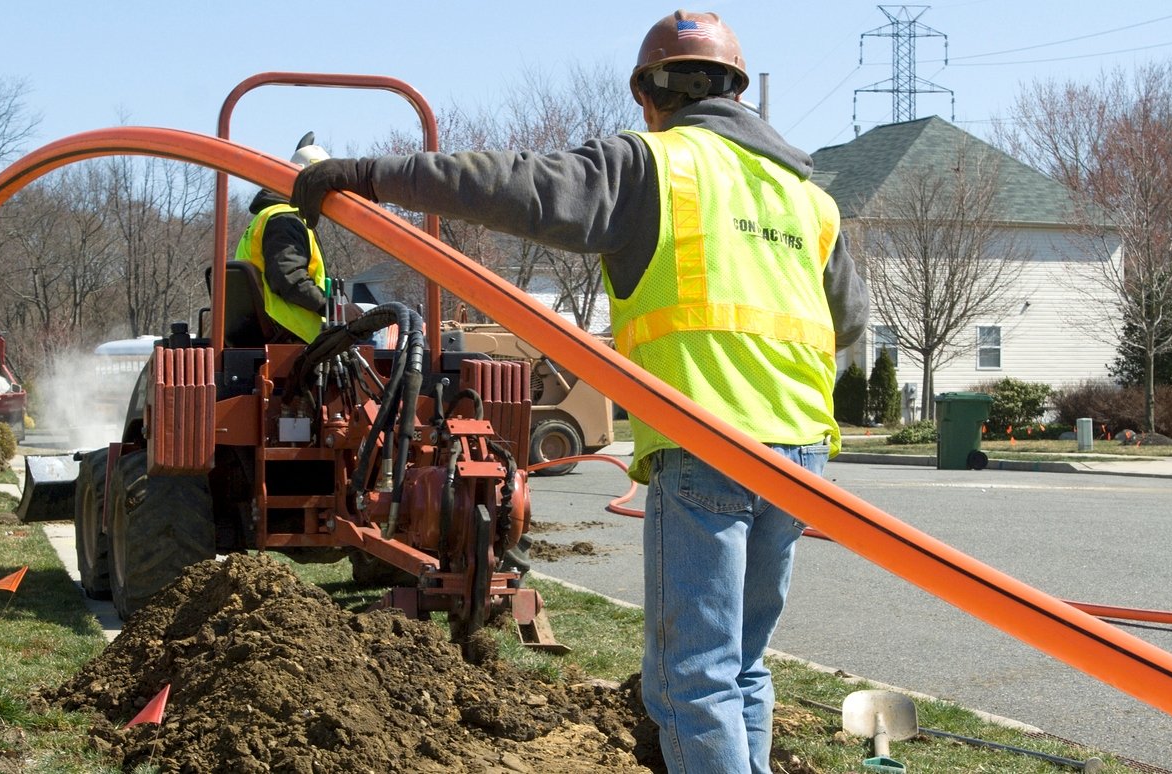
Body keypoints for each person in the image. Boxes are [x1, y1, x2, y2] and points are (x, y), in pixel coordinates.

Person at [293, 10, 868, 773]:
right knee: (743, 665)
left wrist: (367, 175)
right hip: (799, 456)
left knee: (692, 679)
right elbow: (851, 329)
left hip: (708, 445)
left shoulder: (655, 166)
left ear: (648, 97)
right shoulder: (809, 198)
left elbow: (508, 184)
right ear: (736, 90)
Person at [235, 136, 331, 343]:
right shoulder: (284, 220)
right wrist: (331, 307)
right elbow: (289, 278)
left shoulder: (268, 217)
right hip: (289, 333)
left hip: (272, 330)